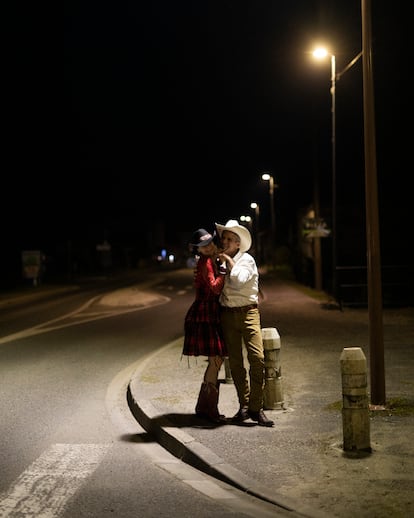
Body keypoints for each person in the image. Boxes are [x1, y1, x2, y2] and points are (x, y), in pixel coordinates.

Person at [216, 219, 274, 427]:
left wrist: (227, 262)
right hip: (228, 315)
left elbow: (239, 280)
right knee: (236, 364)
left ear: (238, 244)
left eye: (230, 239)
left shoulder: (246, 260)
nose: (225, 243)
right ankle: (244, 406)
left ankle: (256, 408)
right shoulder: (219, 261)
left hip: (249, 314)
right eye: (224, 239)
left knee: (257, 359)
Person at [182, 228, 228, 423]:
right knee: (216, 360)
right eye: (203, 246)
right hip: (206, 314)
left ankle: (204, 407)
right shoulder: (206, 262)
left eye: (209, 243)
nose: (208, 247)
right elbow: (216, 288)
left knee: (215, 361)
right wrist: (224, 270)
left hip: (208, 312)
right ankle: (209, 410)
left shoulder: (209, 260)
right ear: (198, 250)